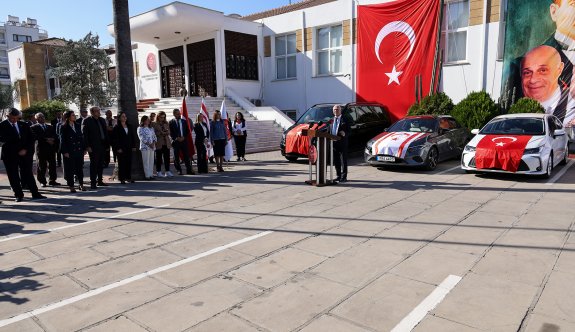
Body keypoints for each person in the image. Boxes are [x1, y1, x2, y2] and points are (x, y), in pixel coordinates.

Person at [521, 45, 575, 125]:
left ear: (559, 70)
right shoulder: (514, 109)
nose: (533, 80)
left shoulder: (571, 102)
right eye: (527, 72)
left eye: (543, 70)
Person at [0, 108, 46, 201]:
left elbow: (31, 138)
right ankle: (18, 195)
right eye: (12, 118)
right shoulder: (2, 126)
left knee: (28, 173)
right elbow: (3, 140)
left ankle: (35, 193)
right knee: (13, 175)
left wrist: (25, 149)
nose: (14, 120)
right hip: (10, 155)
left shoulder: (23, 125)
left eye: (16, 118)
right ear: (7, 116)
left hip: (24, 154)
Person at [82, 106, 110, 189]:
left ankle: (100, 181)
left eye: (99, 110)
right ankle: (93, 182)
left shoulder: (102, 120)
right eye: (96, 111)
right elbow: (85, 135)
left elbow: (105, 133)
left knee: (101, 164)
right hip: (93, 147)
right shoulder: (87, 121)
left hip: (102, 145)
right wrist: (87, 146)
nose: (98, 112)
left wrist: (107, 145)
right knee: (94, 165)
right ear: (92, 112)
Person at [30, 113, 60, 187]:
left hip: (51, 149)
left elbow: (55, 135)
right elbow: (35, 136)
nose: (42, 118)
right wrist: (46, 139)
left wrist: (52, 139)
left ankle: (52, 180)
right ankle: (42, 181)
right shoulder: (33, 127)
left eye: (43, 116)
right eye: (40, 117)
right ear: (36, 119)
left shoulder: (50, 126)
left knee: (52, 165)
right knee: (41, 166)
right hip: (41, 149)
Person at [60, 110, 87, 193]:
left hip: (78, 150)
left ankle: (81, 184)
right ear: (68, 117)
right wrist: (65, 152)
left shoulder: (78, 125)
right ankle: (71, 186)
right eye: (72, 115)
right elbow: (62, 140)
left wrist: (84, 148)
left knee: (79, 169)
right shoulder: (64, 127)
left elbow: (82, 138)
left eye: (74, 115)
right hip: (69, 151)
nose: (74, 116)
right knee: (70, 169)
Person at [112, 112, 135, 184]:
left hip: (129, 147)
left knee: (129, 162)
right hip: (121, 148)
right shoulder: (117, 127)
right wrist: (118, 148)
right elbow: (115, 139)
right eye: (123, 116)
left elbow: (132, 137)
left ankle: (128, 177)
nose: (124, 118)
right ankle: (121, 178)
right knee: (122, 163)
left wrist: (133, 146)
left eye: (125, 116)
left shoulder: (129, 126)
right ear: (119, 118)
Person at [169, 108, 194, 175]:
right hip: (176, 141)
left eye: (179, 113)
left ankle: (189, 170)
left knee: (186, 156)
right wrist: (176, 138)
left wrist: (184, 137)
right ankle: (179, 170)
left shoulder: (184, 121)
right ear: (174, 114)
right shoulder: (171, 122)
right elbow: (170, 132)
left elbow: (187, 131)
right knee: (176, 157)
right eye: (177, 114)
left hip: (184, 141)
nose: (179, 114)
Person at [330, 105, 350, 183]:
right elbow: (329, 130)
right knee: (336, 160)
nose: (336, 111)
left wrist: (345, 133)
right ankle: (338, 176)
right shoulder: (331, 120)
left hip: (342, 143)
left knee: (343, 160)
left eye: (337, 109)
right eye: (334, 109)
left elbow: (349, 130)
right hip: (334, 143)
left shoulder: (345, 119)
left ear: (340, 110)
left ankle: (344, 177)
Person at [152, 111, 173, 177]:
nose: (162, 119)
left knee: (167, 158)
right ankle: (159, 171)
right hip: (159, 143)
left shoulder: (166, 123)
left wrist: (166, 132)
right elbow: (153, 133)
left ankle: (167, 171)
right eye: (161, 117)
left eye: (164, 117)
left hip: (166, 142)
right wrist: (161, 133)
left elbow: (169, 131)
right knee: (159, 158)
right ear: (158, 117)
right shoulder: (154, 124)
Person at [137, 115, 157, 180]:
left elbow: (154, 136)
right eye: (147, 120)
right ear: (143, 120)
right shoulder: (140, 128)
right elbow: (141, 137)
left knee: (151, 161)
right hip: (145, 147)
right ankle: (147, 175)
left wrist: (153, 143)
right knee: (146, 161)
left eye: (149, 120)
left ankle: (151, 174)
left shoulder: (151, 128)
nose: (148, 121)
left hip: (152, 147)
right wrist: (149, 144)